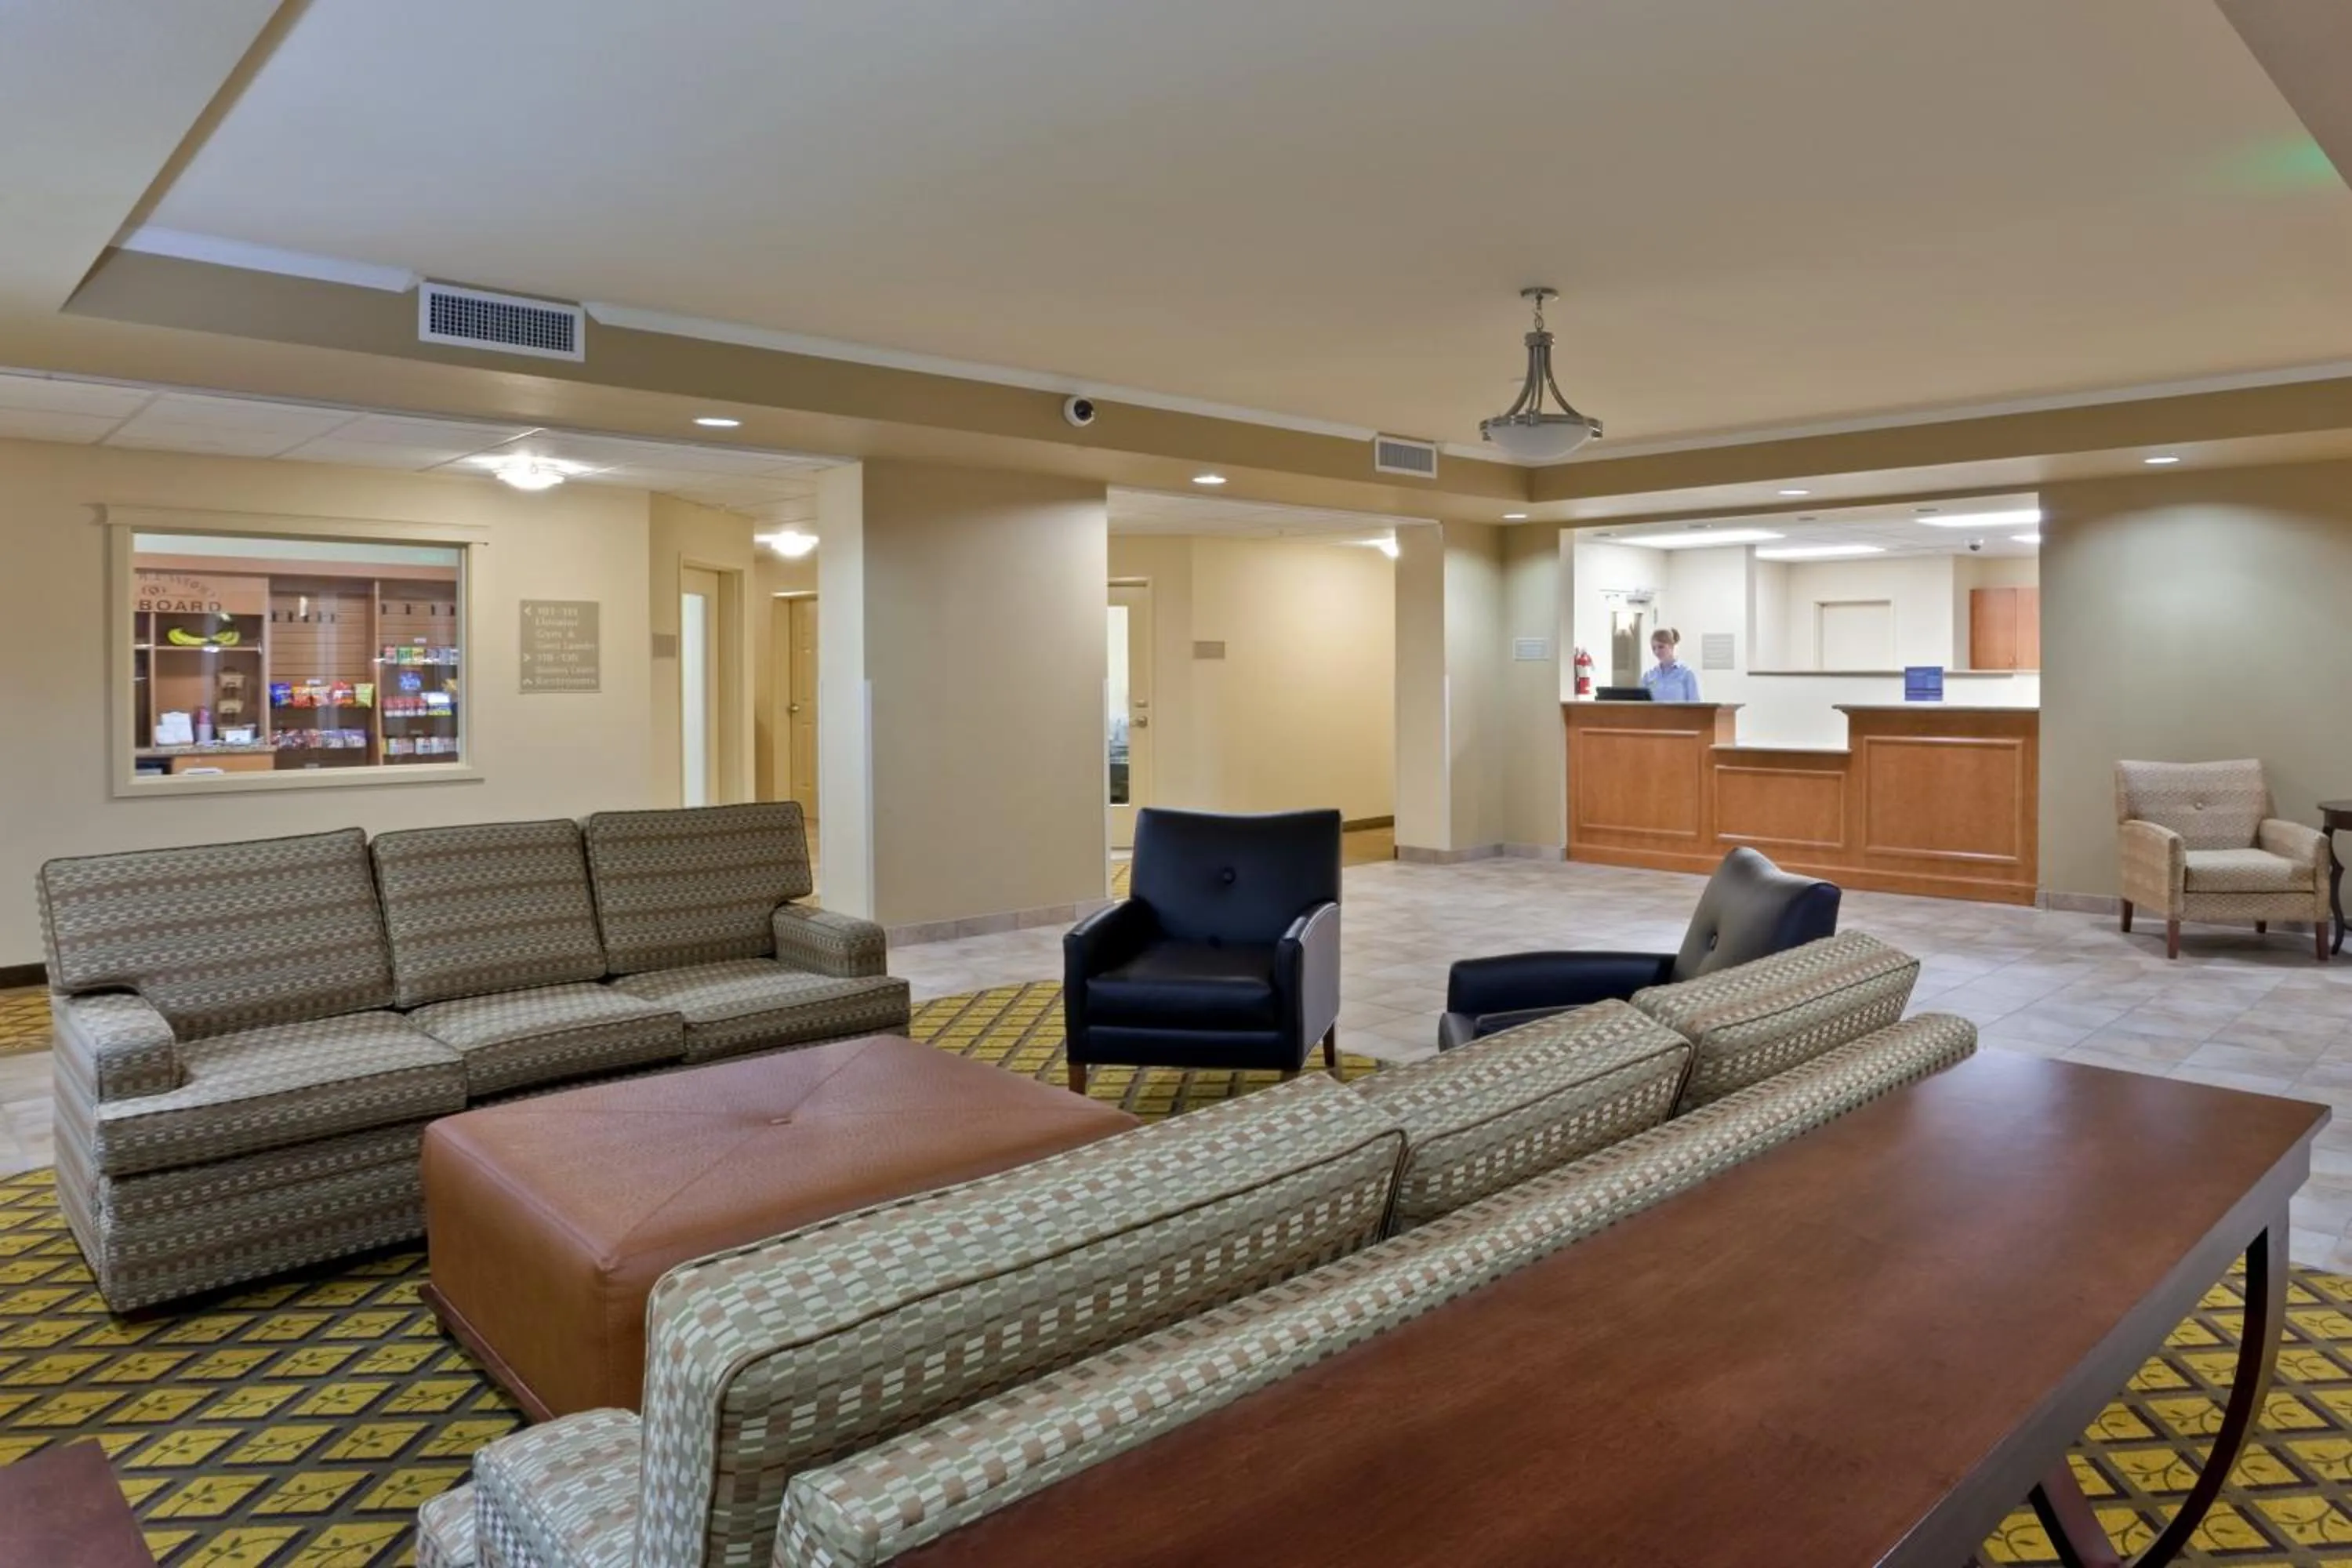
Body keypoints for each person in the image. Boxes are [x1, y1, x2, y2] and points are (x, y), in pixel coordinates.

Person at [1642, 627, 1700, 701]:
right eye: (1654, 648)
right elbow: (1643, 704)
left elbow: (1696, 705)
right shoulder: (1649, 675)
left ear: (1671, 646)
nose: (1657, 652)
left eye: (1661, 647)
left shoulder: (1686, 673)